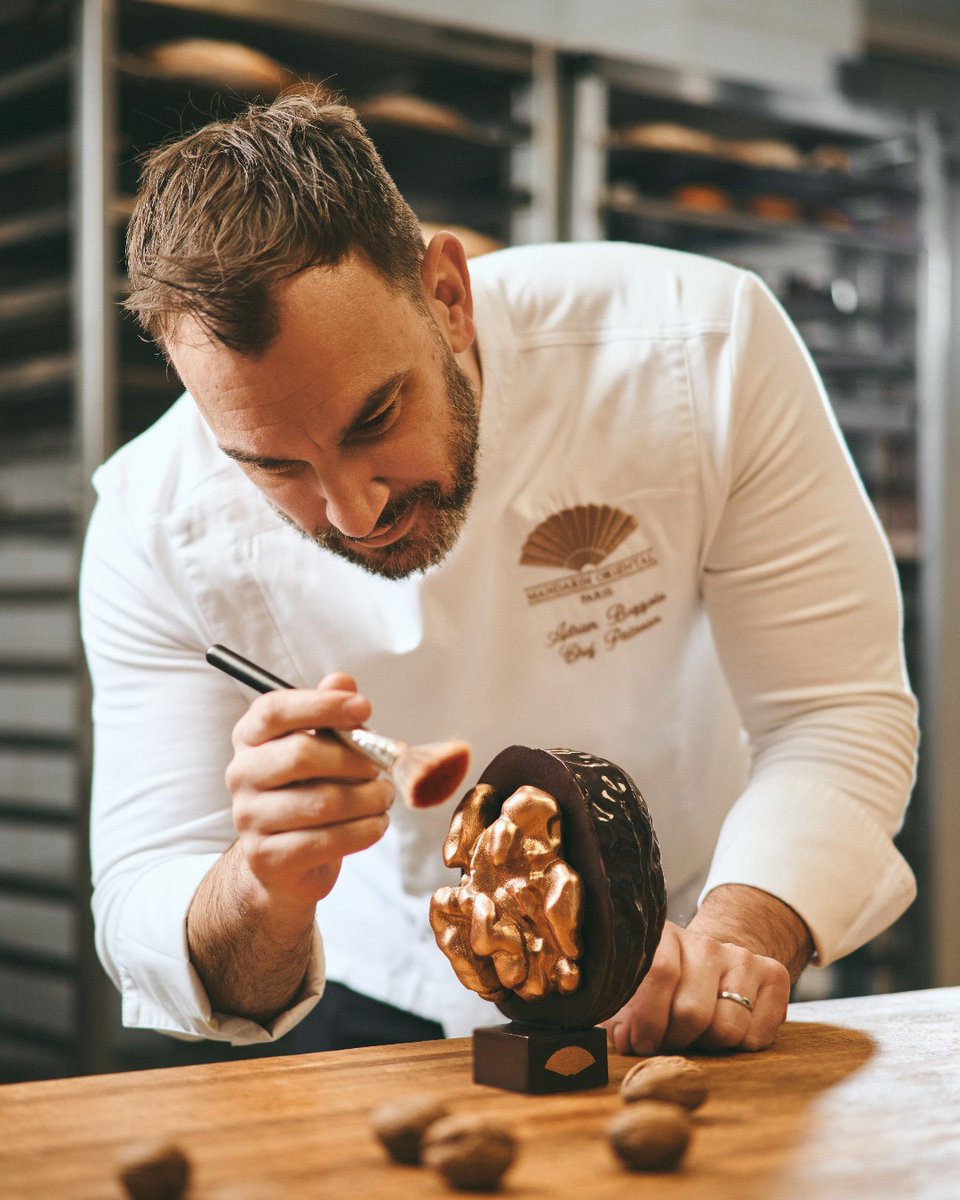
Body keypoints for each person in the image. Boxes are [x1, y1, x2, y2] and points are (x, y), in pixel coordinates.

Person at [80, 88, 918, 1058]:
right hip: (379, 988)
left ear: (449, 295)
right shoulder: (153, 522)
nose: (357, 513)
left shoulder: (699, 348)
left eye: (376, 418)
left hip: (688, 944)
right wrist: (262, 884)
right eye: (276, 467)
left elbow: (836, 711)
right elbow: (148, 889)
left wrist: (740, 934)